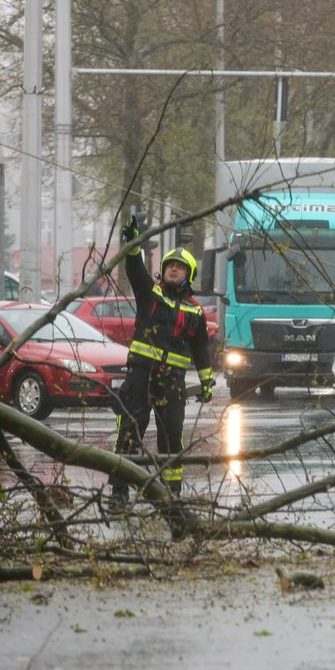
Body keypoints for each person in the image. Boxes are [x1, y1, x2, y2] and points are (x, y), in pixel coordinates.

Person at [112, 216, 214, 506]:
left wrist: (207, 382)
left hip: (172, 381)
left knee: (172, 436)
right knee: (130, 430)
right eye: (170, 265)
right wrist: (133, 243)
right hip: (141, 375)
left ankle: (172, 495)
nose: (173, 269)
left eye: (179, 267)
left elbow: (202, 350)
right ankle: (119, 492)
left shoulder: (196, 312)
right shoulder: (151, 295)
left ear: (188, 274)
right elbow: (135, 269)